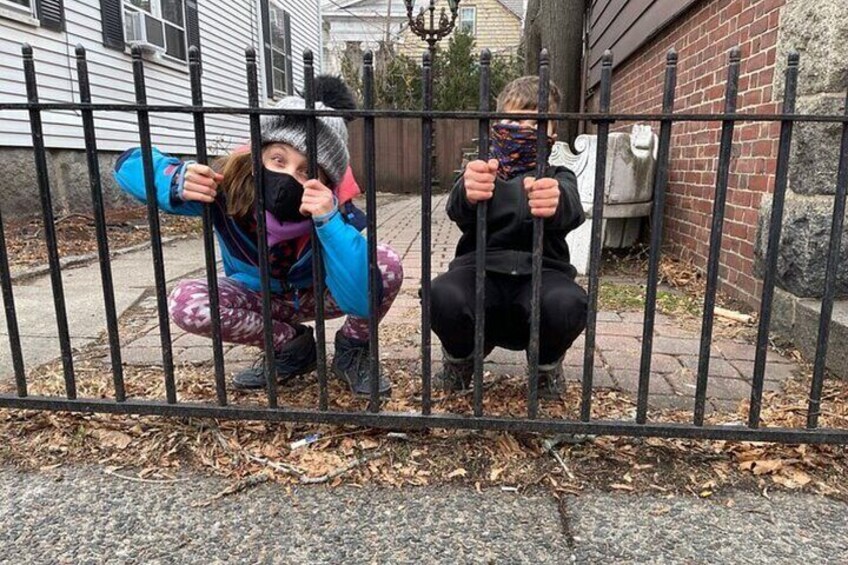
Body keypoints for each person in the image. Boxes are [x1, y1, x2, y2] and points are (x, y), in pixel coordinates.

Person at [113, 77, 402, 396]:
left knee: (384, 262)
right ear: (258, 158)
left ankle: (353, 350)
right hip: (258, 297)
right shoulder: (228, 191)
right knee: (187, 302)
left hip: (319, 295)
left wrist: (329, 222)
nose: (288, 175)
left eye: (306, 170)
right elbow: (127, 164)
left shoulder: (335, 211)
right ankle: (291, 347)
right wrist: (171, 178)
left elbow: (361, 298)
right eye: (278, 159)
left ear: (325, 180)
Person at [430, 76, 587, 398]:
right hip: (479, 271)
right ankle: (460, 361)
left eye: (536, 123)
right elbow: (456, 209)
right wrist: (468, 193)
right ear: (497, 126)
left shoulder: (558, 176)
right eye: (514, 120)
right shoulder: (480, 171)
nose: (524, 129)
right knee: (441, 294)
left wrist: (556, 202)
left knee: (568, 303)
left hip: (543, 274)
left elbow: (573, 210)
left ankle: (545, 367)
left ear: (553, 134)